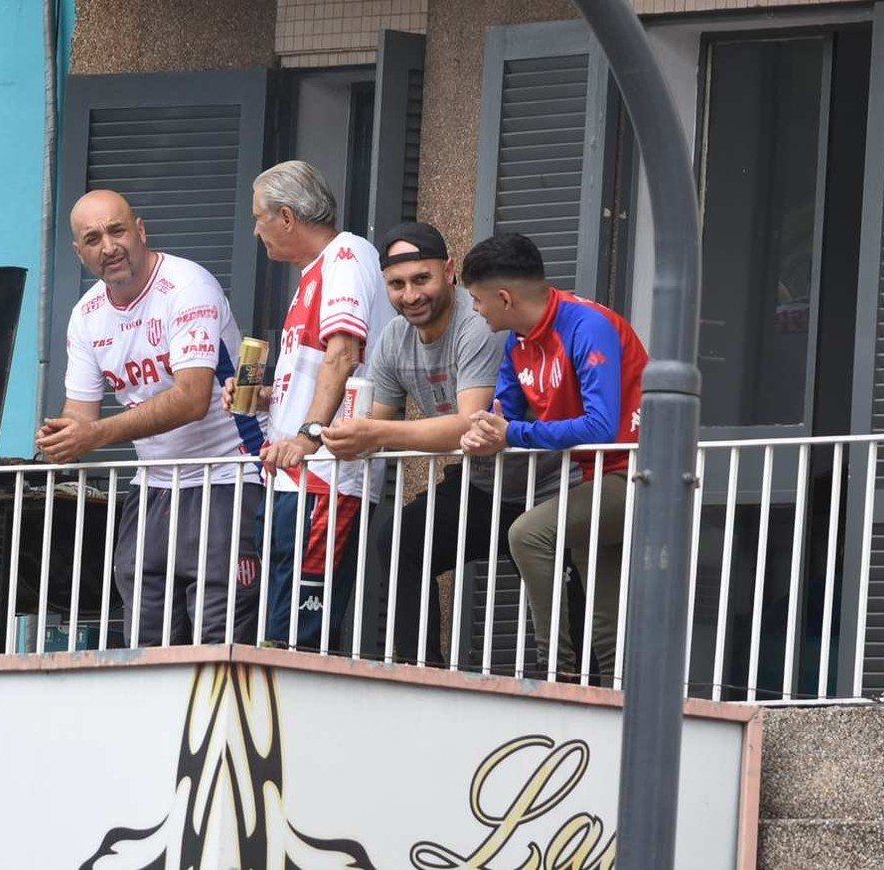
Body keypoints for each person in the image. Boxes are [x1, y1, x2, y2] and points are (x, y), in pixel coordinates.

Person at [321, 222, 566, 668]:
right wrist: (338, 434)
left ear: (449, 271)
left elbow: (469, 425)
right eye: (397, 285)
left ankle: (574, 681)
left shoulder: (479, 326)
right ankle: (420, 670)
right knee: (403, 539)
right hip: (484, 483)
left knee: (567, 591)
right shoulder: (395, 338)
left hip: (543, 484)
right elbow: (372, 422)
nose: (410, 295)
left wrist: (374, 434)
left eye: (422, 279)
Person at [38, 189, 264, 646]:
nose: (109, 247)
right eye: (93, 238)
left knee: (216, 632)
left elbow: (191, 398)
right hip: (155, 484)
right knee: (146, 633)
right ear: (78, 252)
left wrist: (94, 435)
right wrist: (61, 439)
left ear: (140, 230)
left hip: (228, 472)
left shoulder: (187, 285)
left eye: (117, 230)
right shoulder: (86, 316)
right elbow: (79, 415)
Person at [458, 232, 647, 682]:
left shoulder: (587, 326)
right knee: (606, 623)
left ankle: (554, 673)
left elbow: (601, 427)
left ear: (503, 297)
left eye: (477, 299)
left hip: (641, 475)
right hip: (593, 480)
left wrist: (512, 433)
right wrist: (484, 432)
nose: (475, 309)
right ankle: (618, 707)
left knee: (528, 534)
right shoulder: (519, 341)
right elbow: (502, 413)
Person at [228, 160, 392, 650]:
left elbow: (344, 352)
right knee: (277, 616)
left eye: (259, 218)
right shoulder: (312, 274)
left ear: (285, 216)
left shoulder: (347, 256)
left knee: (299, 626)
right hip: (292, 472)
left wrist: (309, 434)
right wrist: (264, 395)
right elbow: (316, 366)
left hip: (324, 473)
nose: (256, 231)